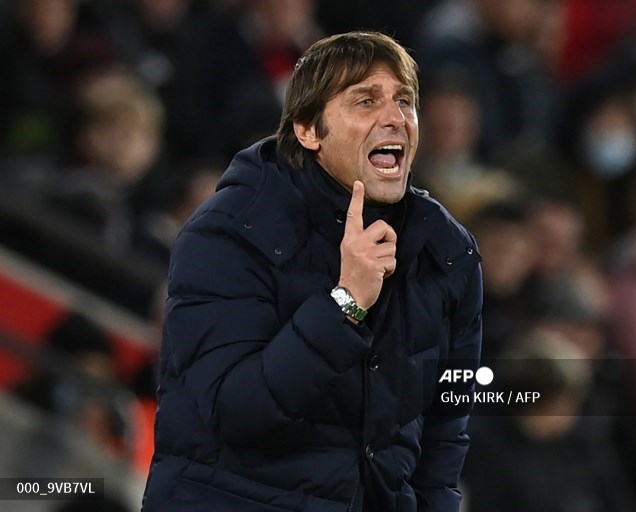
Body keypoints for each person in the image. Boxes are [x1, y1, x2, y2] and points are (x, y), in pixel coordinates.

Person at [141, 31, 483, 512]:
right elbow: (235, 410)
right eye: (366, 101)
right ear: (308, 129)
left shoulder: (447, 252)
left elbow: (445, 434)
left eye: (405, 101)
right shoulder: (228, 232)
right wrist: (346, 303)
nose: (395, 118)